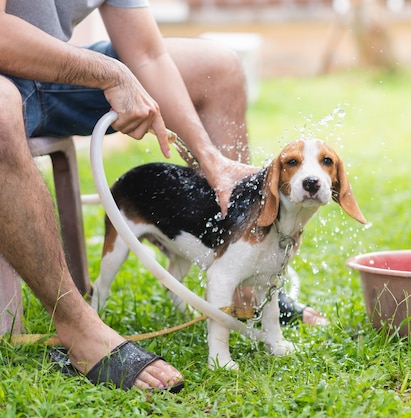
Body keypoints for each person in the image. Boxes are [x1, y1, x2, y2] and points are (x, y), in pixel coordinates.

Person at [0, 0, 324, 392]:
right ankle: (76, 323)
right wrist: (111, 72)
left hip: (51, 67)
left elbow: (148, 54)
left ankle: (244, 276)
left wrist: (210, 158)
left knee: (219, 66)